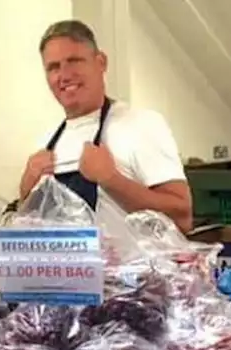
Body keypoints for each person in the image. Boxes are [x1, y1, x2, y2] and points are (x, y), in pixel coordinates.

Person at [18, 20, 193, 233]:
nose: (64, 75)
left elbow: (182, 217)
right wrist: (26, 192)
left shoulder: (142, 125)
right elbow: (30, 233)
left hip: (136, 267)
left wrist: (112, 180)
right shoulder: (45, 144)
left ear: (101, 62)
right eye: (53, 67)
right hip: (66, 267)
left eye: (74, 61)